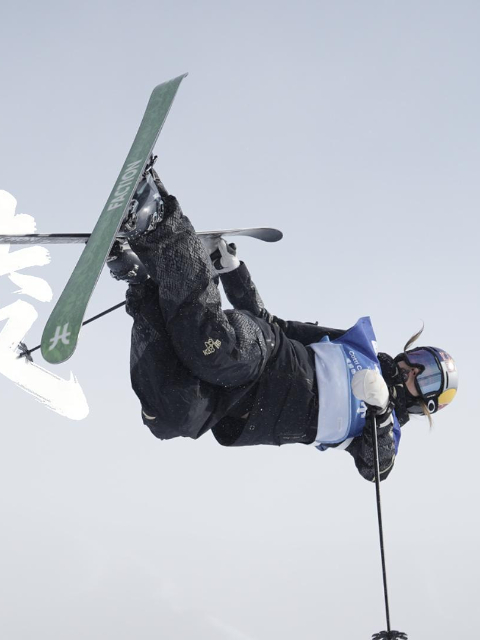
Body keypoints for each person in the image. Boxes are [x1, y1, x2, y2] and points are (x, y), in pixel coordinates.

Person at [108, 166, 458, 482]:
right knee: (210, 347)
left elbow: (377, 468)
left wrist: (381, 412)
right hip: (265, 355)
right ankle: (159, 220)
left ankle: (142, 282)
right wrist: (233, 273)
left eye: (425, 376)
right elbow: (273, 324)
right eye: (419, 358)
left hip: (239, 406)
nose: (411, 368)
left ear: (426, 404)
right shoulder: (361, 348)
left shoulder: (384, 430)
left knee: (171, 417)